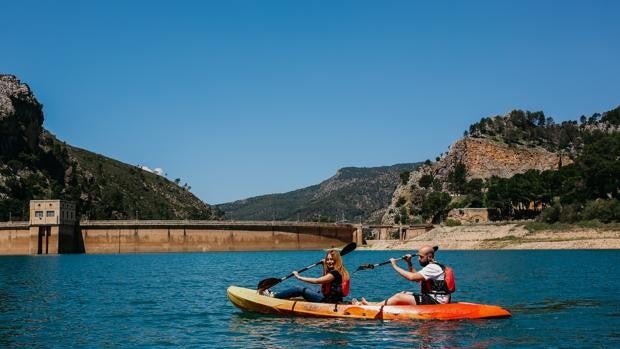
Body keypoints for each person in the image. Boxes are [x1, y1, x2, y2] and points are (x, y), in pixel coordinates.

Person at [358, 245, 453, 305]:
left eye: (421, 257)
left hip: (436, 302)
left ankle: (373, 307)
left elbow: (412, 277)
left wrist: (394, 265)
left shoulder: (433, 268)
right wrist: (409, 262)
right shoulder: (432, 266)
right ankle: (377, 304)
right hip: (432, 298)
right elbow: (417, 278)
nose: (418, 259)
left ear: (429, 257)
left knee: (399, 296)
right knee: (404, 293)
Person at [261, 249, 350, 303]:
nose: (329, 261)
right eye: (328, 259)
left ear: (337, 260)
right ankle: (281, 295)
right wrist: (324, 265)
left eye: (332, 259)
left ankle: (274, 297)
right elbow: (326, 280)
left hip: (327, 301)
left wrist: (299, 277)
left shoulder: (335, 273)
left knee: (300, 289)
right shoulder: (339, 270)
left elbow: (318, 281)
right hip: (329, 297)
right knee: (308, 288)